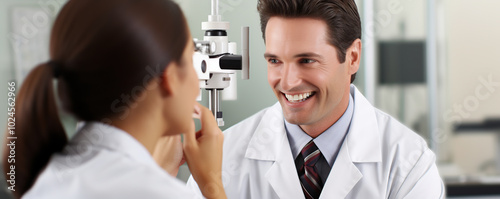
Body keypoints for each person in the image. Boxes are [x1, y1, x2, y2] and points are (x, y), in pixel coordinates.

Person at [187, 0, 445, 198]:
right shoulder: (222, 160)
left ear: (353, 57)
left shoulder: (407, 162)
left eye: (306, 60)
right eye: (275, 61)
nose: (287, 82)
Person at [2, 0, 227, 198]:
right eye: (192, 59)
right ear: (169, 78)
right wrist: (211, 183)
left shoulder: (51, 176)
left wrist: (153, 170)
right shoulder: (160, 193)